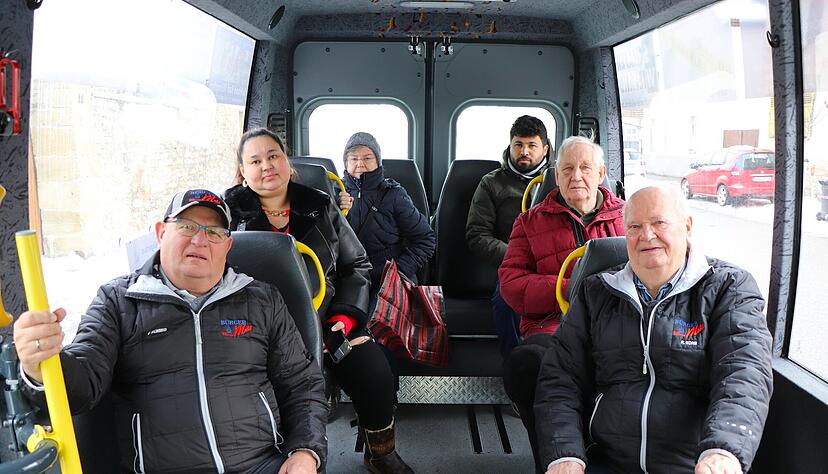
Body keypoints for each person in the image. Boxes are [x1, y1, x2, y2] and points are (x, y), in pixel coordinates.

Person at [13, 189, 326, 473]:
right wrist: (40, 365)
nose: (200, 240)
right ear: (161, 233)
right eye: (187, 227)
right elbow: (82, 385)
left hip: (261, 465)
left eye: (214, 232)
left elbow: (302, 383)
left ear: (227, 245)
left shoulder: (261, 299)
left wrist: (305, 452)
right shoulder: (118, 301)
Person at [535, 185, 773, 474]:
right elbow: (561, 377)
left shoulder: (729, 288)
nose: (647, 236)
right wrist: (565, 455)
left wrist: (723, 450)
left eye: (659, 223)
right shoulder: (596, 292)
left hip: (695, 464)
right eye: (635, 226)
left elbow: (743, 374)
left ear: (687, 227)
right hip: (606, 459)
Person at [224, 128, 414, 474]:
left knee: (374, 372)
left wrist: (342, 318)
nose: (267, 166)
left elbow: (356, 265)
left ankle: (380, 451)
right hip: (257, 330)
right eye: (255, 160)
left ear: (287, 163)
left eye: (273, 156)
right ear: (242, 170)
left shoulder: (321, 206)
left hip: (327, 321)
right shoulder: (228, 217)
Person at [499, 135, 625, 472]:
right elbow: (511, 284)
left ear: (601, 173)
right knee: (528, 364)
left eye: (585, 168)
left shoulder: (629, 219)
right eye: (567, 169)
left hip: (621, 326)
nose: (576, 177)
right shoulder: (529, 223)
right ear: (556, 176)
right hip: (553, 326)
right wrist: (569, 288)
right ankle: (553, 462)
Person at [466, 115, 551, 357]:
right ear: (510, 145)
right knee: (507, 301)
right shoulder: (492, 183)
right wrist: (516, 257)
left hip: (555, 265)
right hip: (512, 265)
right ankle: (515, 366)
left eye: (531, 145)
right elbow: (476, 234)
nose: (524, 152)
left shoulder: (560, 182)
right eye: (518, 145)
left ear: (544, 148)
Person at [340, 132, 435, 304]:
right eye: (353, 159)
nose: (360, 164)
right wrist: (336, 210)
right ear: (346, 163)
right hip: (347, 278)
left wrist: (398, 271)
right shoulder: (333, 193)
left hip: (389, 276)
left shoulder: (394, 195)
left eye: (367, 158)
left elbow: (426, 239)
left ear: (377, 162)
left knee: (377, 323)